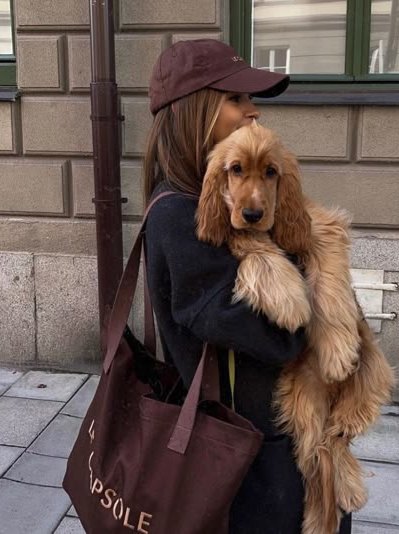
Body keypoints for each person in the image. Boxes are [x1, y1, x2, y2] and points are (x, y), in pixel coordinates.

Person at [143, 39, 352, 534]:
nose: (252, 111)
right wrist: (320, 292)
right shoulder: (179, 215)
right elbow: (280, 336)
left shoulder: (220, 201)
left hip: (271, 437)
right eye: (235, 99)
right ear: (194, 110)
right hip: (252, 452)